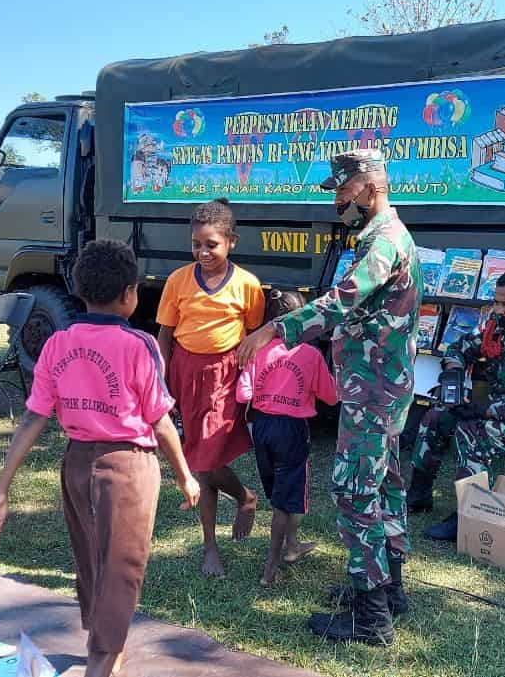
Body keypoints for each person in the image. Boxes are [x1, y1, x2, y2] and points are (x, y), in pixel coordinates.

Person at [0, 240, 201, 677]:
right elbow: (159, 422)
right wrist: (185, 476)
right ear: (130, 293)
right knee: (122, 570)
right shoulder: (140, 346)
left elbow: (31, 419)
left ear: (79, 291)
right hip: (129, 467)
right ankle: (101, 660)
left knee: (91, 559)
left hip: (77, 465)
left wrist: (1, 490)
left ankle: (102, 644)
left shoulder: (58, 343)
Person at [238, 148, 421, 646]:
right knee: (385, 487)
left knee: (356, 492)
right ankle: (390, 591)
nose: (337, 198)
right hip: (383, 388)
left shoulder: (383, 241)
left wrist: (276, 329)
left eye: (342, 187)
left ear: (368, 183)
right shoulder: (385, 236)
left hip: (373, 389)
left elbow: (341, 302)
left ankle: (371, 618)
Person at [409, 269, 505, 541]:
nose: (499, 310)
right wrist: (455, 376)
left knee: (473, 431)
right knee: (437, 416)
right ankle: (419, 493)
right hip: (499, 410)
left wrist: (481, 410)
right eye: (496, 302)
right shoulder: (495, 327)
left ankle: (468, 516)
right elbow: (458, 348)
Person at [156, 198, 265, 578]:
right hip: (186, 371)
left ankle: (210, 549)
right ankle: (243, 496)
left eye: (212, 244)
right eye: (196, 244)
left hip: (225, 373)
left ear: (231, 241)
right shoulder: (177, 281)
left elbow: (253, 336)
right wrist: (161, 378)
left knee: (204, 461)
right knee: (203, 457)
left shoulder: (249, 285)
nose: (203, 252)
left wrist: (251, 382)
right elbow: (165, 335)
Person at [235, 288, 339, 587]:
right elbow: (330, 398)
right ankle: (271, 569)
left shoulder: (256, 351)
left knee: (280, 492)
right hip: (292, 430)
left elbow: (243, 393)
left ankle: (292, 546)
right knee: (287, 499)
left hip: (263, 428)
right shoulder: (309, 354)